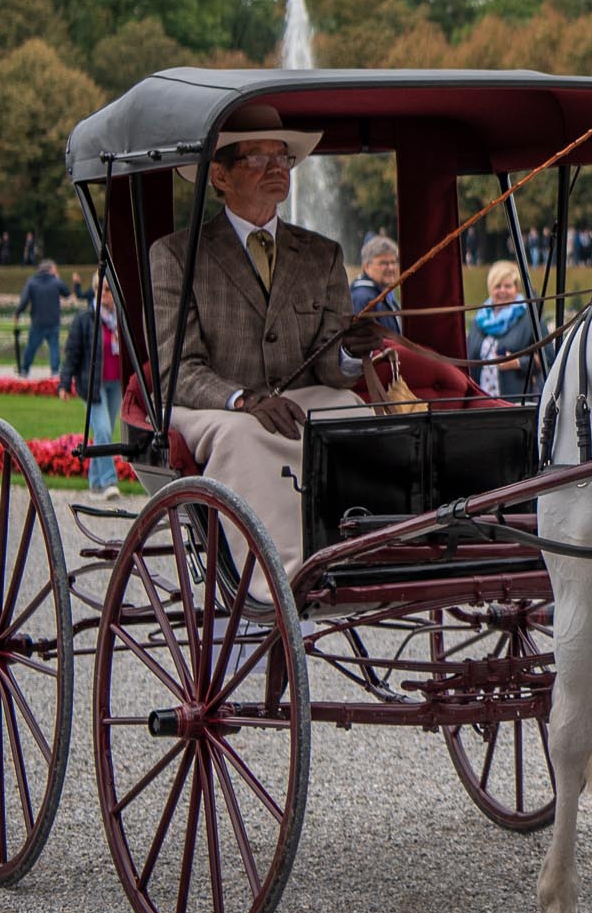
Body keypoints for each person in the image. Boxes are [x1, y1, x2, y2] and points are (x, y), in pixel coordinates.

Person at [148, 103, 387, 577]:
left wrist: (347, 353)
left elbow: (327, 370)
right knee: (243, 436)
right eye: (259, 159)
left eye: (283, 159)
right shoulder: (176, 256)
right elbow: (180, 369)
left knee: (352, 414)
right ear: (219, 175)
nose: (278, 169)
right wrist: (242, 399)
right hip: (213, 405)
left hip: (294, 399)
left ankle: (367, 550)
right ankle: (278, 575)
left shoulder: (322, 255)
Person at [60, 274, 128, 501]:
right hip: (93, 386)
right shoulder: (85, 319)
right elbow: (72, 353)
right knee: (103, 431)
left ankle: (95, 482)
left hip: (115, 384)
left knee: (105, 433)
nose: (105, 295)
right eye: (101, 289)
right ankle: (109, 481)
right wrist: (64, 382)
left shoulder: (120, 318)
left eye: (109, 290)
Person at [468, 259, 544, 400]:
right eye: (497, 286)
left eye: (507, 286)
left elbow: (548, 357)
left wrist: (517, 362)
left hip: (515, 404)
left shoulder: (531, 316)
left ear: (516, 288)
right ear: (491, 289)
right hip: (481, 403)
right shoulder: (479, 320)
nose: (502, 290)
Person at [14, 259, 69, 378]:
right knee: (54, 347)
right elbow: (67, 293)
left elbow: (24, 301)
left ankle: (25, 370)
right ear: (49, 270)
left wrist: (17, 313)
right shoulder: (55, 282)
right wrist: (58, 278)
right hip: (53, 321)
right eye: (54, 269)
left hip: (37, 321)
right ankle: (55, 371)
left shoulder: (32, 282)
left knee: (31, 347)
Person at [349, 235, 406, 334]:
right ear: (366, 266)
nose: (391, 268)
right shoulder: (361, 298)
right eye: (384, 263)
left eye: (393, 262)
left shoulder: (384, 294)